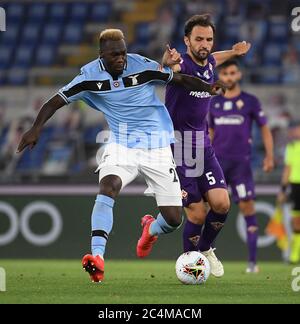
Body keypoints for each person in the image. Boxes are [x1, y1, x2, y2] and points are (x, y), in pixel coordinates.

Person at [17, 29, 225, 283]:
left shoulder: (141, 66)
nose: (121, 59)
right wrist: (35, 128)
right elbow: (55, 101)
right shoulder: (88, 76)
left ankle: (150, 228)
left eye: (123, 53)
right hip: (121, 143)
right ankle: (97, 258)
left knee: (173, 219)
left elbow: (179, 80)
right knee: (108, 186)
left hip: (158, 146)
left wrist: (208, 87)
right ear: (102, 55)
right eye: (114, 54)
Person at [143, 14, 251, 277]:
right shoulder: (181, 65)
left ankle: (205, 249)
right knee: (197, 213)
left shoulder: (209, 61)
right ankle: (189, 265)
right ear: (186, 41)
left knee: (222, 204)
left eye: (209, 39)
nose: (205, 44)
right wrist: (165, 64)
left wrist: (234, 52)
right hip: (178, 148)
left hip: (202, 145)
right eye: (199, 39)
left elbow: (215, 58)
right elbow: (165, 75)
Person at [209, 60, 274, 273]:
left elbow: (265, 129)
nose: (228, 76)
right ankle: (203, 252)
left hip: (241, 165)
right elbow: (209, 133)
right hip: (217, 164)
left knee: (247, 209)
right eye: (225, 73)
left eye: (232, 73)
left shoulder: (250, 101)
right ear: (221, 76)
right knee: (207, 208)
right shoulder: (213, 103)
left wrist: (269, 157)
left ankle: (252, 263)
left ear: (239, 75)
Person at [277, 120, 300, 264]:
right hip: (296, 185)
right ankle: (295, 254)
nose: (293, 132)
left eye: (295, 129)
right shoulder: (291, 147)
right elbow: (287, 169)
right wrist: (283, 190)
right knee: (296, 221)